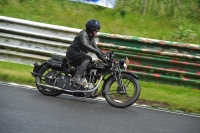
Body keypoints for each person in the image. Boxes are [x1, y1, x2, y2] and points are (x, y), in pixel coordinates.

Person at [66, 19, 106, 85]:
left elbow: (96, 50)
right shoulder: (83, 34)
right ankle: (77, 77)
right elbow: (86, 44)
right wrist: (97, 51)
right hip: (73, 53)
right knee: (88, 58)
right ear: (91, 29)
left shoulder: (91, 38)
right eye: (96, 29)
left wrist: (104, 59)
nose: (97, 31)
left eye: (98, 29)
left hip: (80, 54)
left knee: (93, 64)